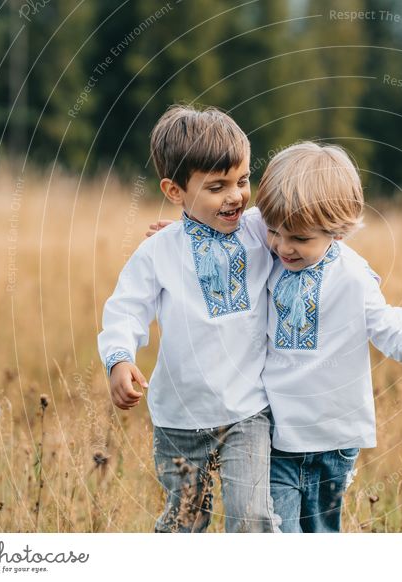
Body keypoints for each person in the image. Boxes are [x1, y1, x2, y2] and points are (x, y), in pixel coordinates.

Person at [256, 142, 402, 532]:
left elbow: (389, 329)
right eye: (274, 232)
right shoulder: (266, 257)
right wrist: (185, 236)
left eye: (299, 239)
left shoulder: (353, 277)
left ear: (336, 229)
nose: (283, 246)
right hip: (276, 435)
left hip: (333, 439)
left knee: (320, 534)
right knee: (275, 534)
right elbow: (232, 236)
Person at [97, 104, 280, 533]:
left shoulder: (259, 231)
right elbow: (126, 309)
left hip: (247, 411)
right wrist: (120, 359)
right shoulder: (160, 251)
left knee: (252, 517)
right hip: (179, 416)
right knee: (186, 520)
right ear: (175, 191)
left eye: (242, 180)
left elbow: (309, 219)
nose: (236, 196)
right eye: (217, 187)